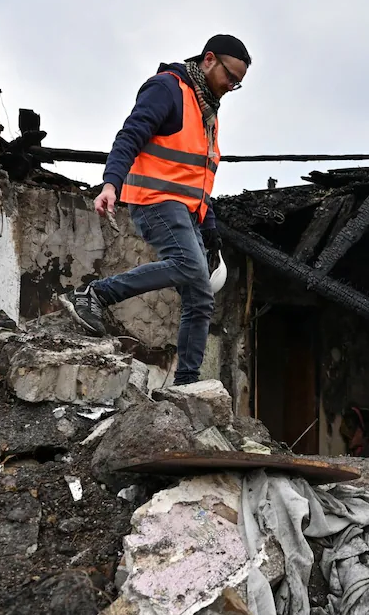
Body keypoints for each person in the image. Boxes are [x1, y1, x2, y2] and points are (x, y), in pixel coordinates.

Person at [61, 34, 250, 386]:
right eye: (230, 76)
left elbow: (197, 177)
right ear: (209, 59)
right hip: (157, 201)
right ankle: (95, 294)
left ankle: (187, 383)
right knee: (186, 266)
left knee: (200, 294)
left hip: (188, 211)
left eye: (238, 84)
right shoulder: (168, 89)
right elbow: (129, 136)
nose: (231, 86)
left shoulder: (207, 110)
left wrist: (210, 230)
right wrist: (110, 184)